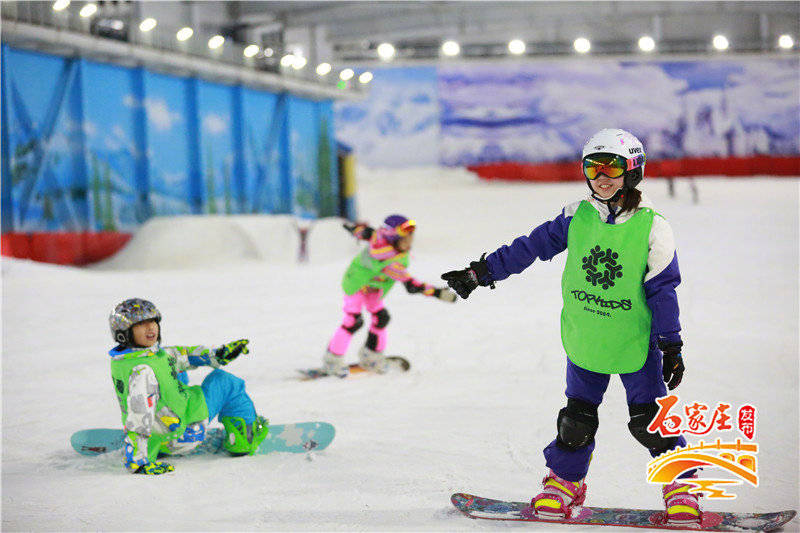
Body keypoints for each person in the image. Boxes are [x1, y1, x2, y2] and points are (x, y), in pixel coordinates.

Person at [441, 129, 699, 525]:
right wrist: (482, 272)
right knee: (576, 421)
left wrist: (671, 343)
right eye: (593, 167)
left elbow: (663, 288)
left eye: (612, 166)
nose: (601, 176)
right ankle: (563, 482)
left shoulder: (653, 226)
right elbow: (530, 247)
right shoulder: (576, 216)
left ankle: (681, 486)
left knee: (650, 423)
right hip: (587, 337)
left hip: (634, 341)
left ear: (632, 170)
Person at [108, 298, 269, 475]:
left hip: (159, 433)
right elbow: (140, 411)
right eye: (141, 324)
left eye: (153, 321)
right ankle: (244, 439)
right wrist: (138, 462)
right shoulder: (143, 371)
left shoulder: (134, 359)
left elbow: (181, 355)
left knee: (177, 372)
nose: (151, 327)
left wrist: (218, 354)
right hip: (184, 432)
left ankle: (155, 443)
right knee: (225, 382)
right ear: (124, 332)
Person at [323, 214, 457, 377]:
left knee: (381, 318)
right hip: (357, 284)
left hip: (374, 286)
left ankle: (371, 356)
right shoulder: (389, 261)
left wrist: (355, 229)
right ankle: (332, 360)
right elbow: (411, 285)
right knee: (353, 321)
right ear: (392, 239)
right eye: (404, 240)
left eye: (410, 238)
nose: (409, 244)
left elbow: (367, 232)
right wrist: (437, 293)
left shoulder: (381, 239)